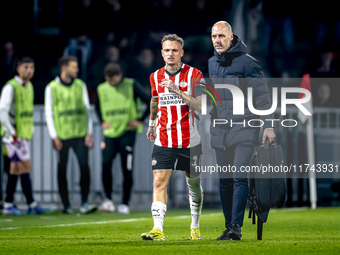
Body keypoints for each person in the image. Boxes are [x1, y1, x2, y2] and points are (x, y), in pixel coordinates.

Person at [207, 21, 275, 240]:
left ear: (231, 37)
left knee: (239, 177)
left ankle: (236, 226)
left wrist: (268, 124)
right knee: (225, 181)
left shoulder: (248, 63)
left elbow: (262, 96)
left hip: (245, 127)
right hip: (220, 130)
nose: (217, 40)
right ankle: (228, 227)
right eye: (214, 36)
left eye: (221, 36)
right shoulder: (211, 63)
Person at [141, 34, 204, 241]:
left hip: (190, 140)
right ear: (161, 53)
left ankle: (194, 225)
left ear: (182, 53)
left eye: (174, 50)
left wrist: (177, 91)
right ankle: (157, 229)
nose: (170, 54)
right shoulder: (155, 76)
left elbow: (201, 106)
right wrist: (151, 124)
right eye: (167, 50)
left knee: (193, 184)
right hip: (164, 139)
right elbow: (154, 100)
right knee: (159, 181)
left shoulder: (194, 74)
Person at [95, 62, 151, 214]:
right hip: (110, 134)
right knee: (105, 165)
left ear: (120, 75)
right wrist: (101, 121)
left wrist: (140, 119)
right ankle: (108, 201)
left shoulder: (131, 85)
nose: (111, 83)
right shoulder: (102, 88)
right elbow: (97, 107)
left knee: (126, 167)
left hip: (127, 133)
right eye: (109, 80)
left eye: (114, 79)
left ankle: (124, 203)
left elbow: (152, 100)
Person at [44, 56, 96, 214]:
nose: (77, 70)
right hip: (62, 136)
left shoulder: (80, 85)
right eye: (74, 67)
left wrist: (89, 132)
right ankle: (66, 205)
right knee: (62, 169)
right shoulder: (51, 87)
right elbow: (49, 113)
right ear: (64, 68)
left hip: (80, 134)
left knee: (84, 167)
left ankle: (85, 202)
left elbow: (87, 109)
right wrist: (54, 136)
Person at [0, 57, 47, 215]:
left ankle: (9, 204)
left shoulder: (30, 86)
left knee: (16, 168)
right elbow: (2, 112)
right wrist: (12, 132)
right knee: (24, 167)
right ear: (18, 69)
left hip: (22, 136)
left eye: (32, 67)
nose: (29, 70)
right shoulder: (10, 87)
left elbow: (27, 112)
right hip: (13, 136)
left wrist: (30, 128)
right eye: (26, 67)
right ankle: (29, 204)